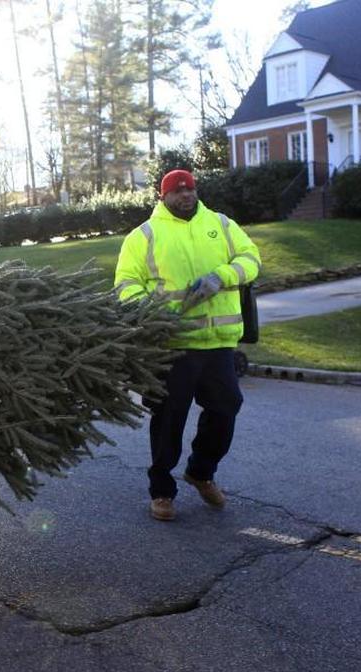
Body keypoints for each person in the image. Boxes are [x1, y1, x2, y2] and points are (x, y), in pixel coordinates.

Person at [114, 169, 262, 521]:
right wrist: (157, 313)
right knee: (168, 419)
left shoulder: (222, 224)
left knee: (226, 409)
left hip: (219, 344)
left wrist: (220, 277)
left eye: (190, 189)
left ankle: (201, 471)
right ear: (162, 197)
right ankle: (162, 491)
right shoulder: (145, 236)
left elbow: (251, 260)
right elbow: (125, 286)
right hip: (173, 346)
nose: (186, 195)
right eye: (178, 191)